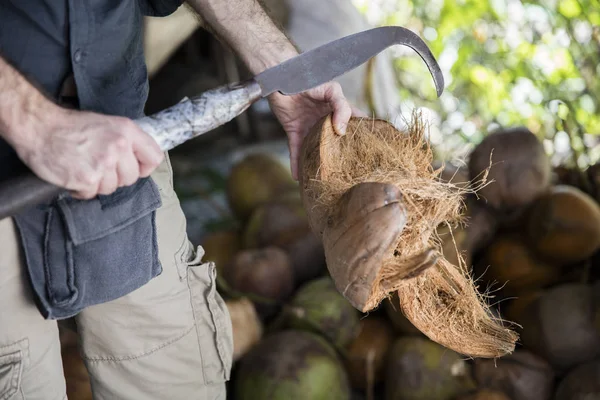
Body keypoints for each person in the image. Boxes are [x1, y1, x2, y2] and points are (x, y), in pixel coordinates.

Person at [0, 1, 360, 398]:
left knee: (179, 381)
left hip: (125, 146)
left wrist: (283, 67)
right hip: (8, 190)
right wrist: (32, 121)